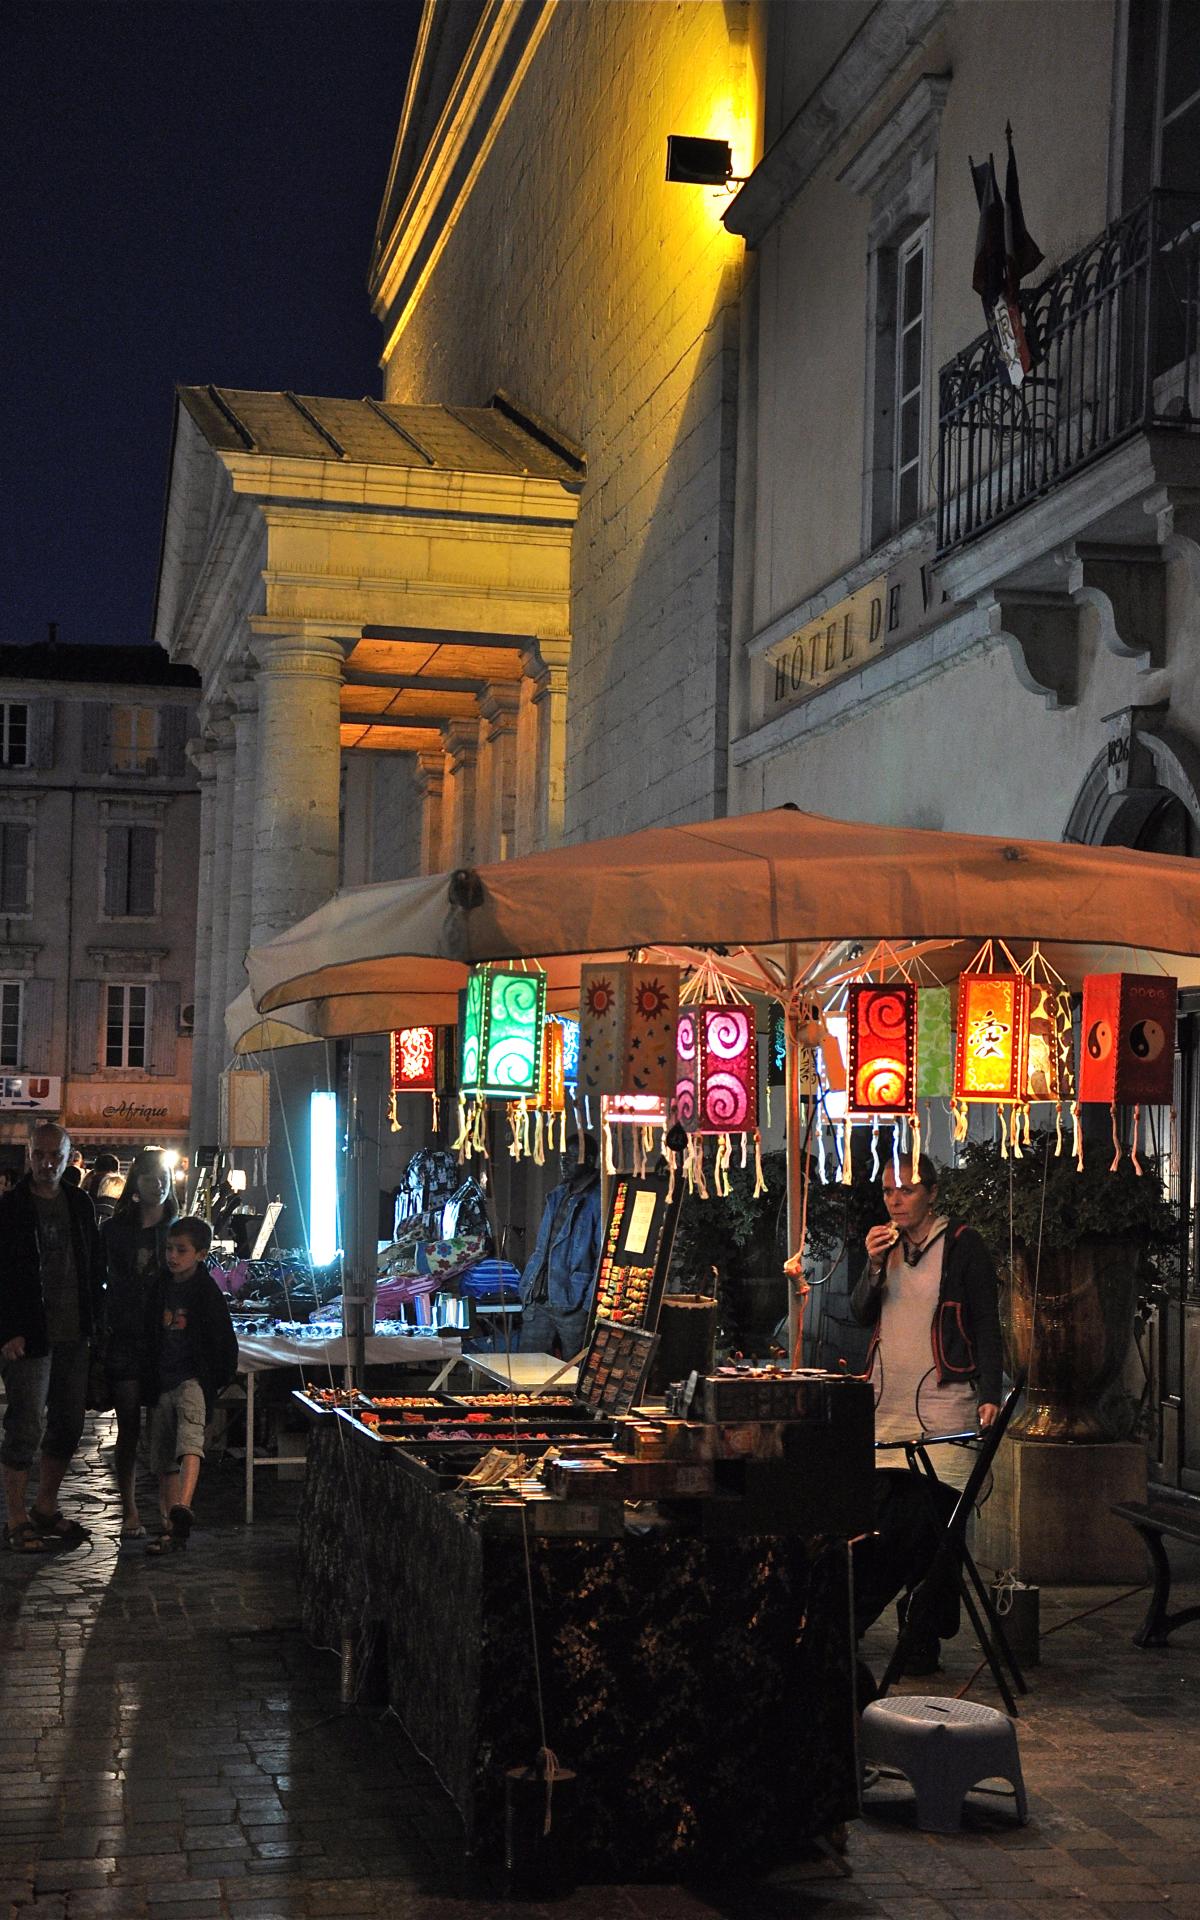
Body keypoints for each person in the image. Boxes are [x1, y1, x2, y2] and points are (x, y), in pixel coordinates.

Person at [850, 1150, 1004, 1674]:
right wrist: (872, 1265)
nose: (895, 1199)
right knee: (896, 1523)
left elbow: (986, 1321)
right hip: (885, 1405)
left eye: (907, 1189)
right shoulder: (884, 1246)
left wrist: (990, 1391)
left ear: (932, 1193)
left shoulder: (963, 1245)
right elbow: (858, 1312)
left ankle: (902, 1629)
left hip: (945, 1408)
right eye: (889, 1190)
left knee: (928, 1522)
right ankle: (921, 1636)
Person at [0, 1122, 104, 1552]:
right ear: (29, 1155)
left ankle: (45, 1505)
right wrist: (6, 1330)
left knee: (67, 1422)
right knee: (25, 1424)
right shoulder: (11, 1208)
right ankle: (16, 1514)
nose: (46, 1164)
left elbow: (93, 1262)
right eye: (40, 1155)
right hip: (31, 1335)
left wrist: (96, 1320)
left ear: (68, 1157)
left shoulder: (79, 1203)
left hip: (74, 1331)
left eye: (54, 1156)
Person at [141, 1214, 237, 1554]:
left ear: (199, 1253)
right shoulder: (159, 1287)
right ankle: (170, 1523)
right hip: (162, 1379)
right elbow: (149, 1331)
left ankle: (182, 1505)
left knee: (190, 1441)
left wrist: (212, 1378)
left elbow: (222, 1340)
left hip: (191, 1378)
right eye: (169, 1249)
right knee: (165, 1453)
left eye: (181, 1250)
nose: (172, 1256)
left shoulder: (206, 1292)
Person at [102, 1148, 179, 1541]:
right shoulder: (116, 1231)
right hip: (126, 1337)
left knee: (165, 1427)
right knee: (129, 1425)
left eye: (164, 1176)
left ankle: (167, 1510)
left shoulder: (178, 1231)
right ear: (137, 1183)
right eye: (151, 1177)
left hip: (166, 1340)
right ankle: (130, 1509)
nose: (159, 1183)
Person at [518, 1134, 603, 1357]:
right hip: (539, 1295)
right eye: (563, 1157)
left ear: (590, 1160)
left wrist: (587, 1305)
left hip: (572, 1300)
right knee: (527, 1368)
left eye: (572, 1157)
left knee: (574, 1372)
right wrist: (527, 1288)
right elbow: (542, 1248)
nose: (565, 1162)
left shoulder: (598, 1200)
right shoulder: (558, 1195)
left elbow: (601, 1258)